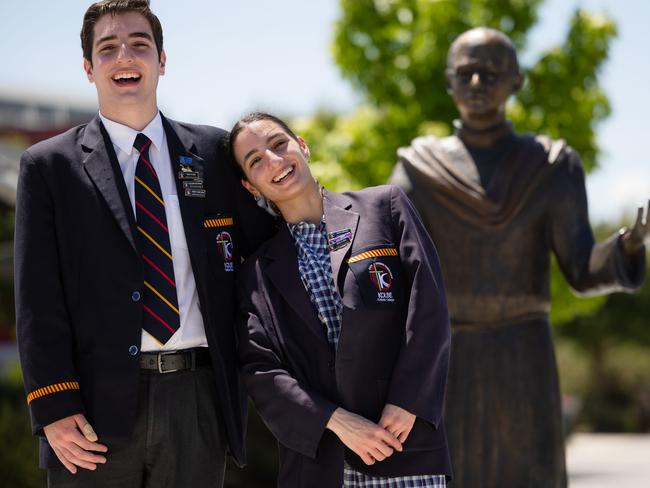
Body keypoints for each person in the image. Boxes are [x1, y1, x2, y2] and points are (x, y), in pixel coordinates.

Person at [14, 1, 273, 486]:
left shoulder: (216, 154)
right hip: (91, 409)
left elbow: (267, 254)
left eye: (139, 44)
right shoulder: (49, 167)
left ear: (162, 60)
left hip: (198, 399)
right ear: (89, 68)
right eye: (108, 48)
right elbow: (36, 298)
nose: (125, 56)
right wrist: (53, 403)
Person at [390, 27, 649, 487]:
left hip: (524, 351)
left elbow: (581, 271)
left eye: (490, 73)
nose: (476, 84)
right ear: (449, 82)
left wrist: (625, 247)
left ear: (516, 81)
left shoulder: (552, 166)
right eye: (465, 73)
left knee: (529, 474)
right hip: (445, 354)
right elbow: (393, 268)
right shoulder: (417, 169)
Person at [229, 112, 452, 488]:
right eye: (255, 161)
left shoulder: (386, 208)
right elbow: (261, 372)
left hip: (400, 443)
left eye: (279, 144)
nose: (273, 160)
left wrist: (408, 400)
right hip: (318, 467)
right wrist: (336, 421)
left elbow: (428, 307)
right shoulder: (256, 273)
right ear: (252, 187)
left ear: (303, 145)